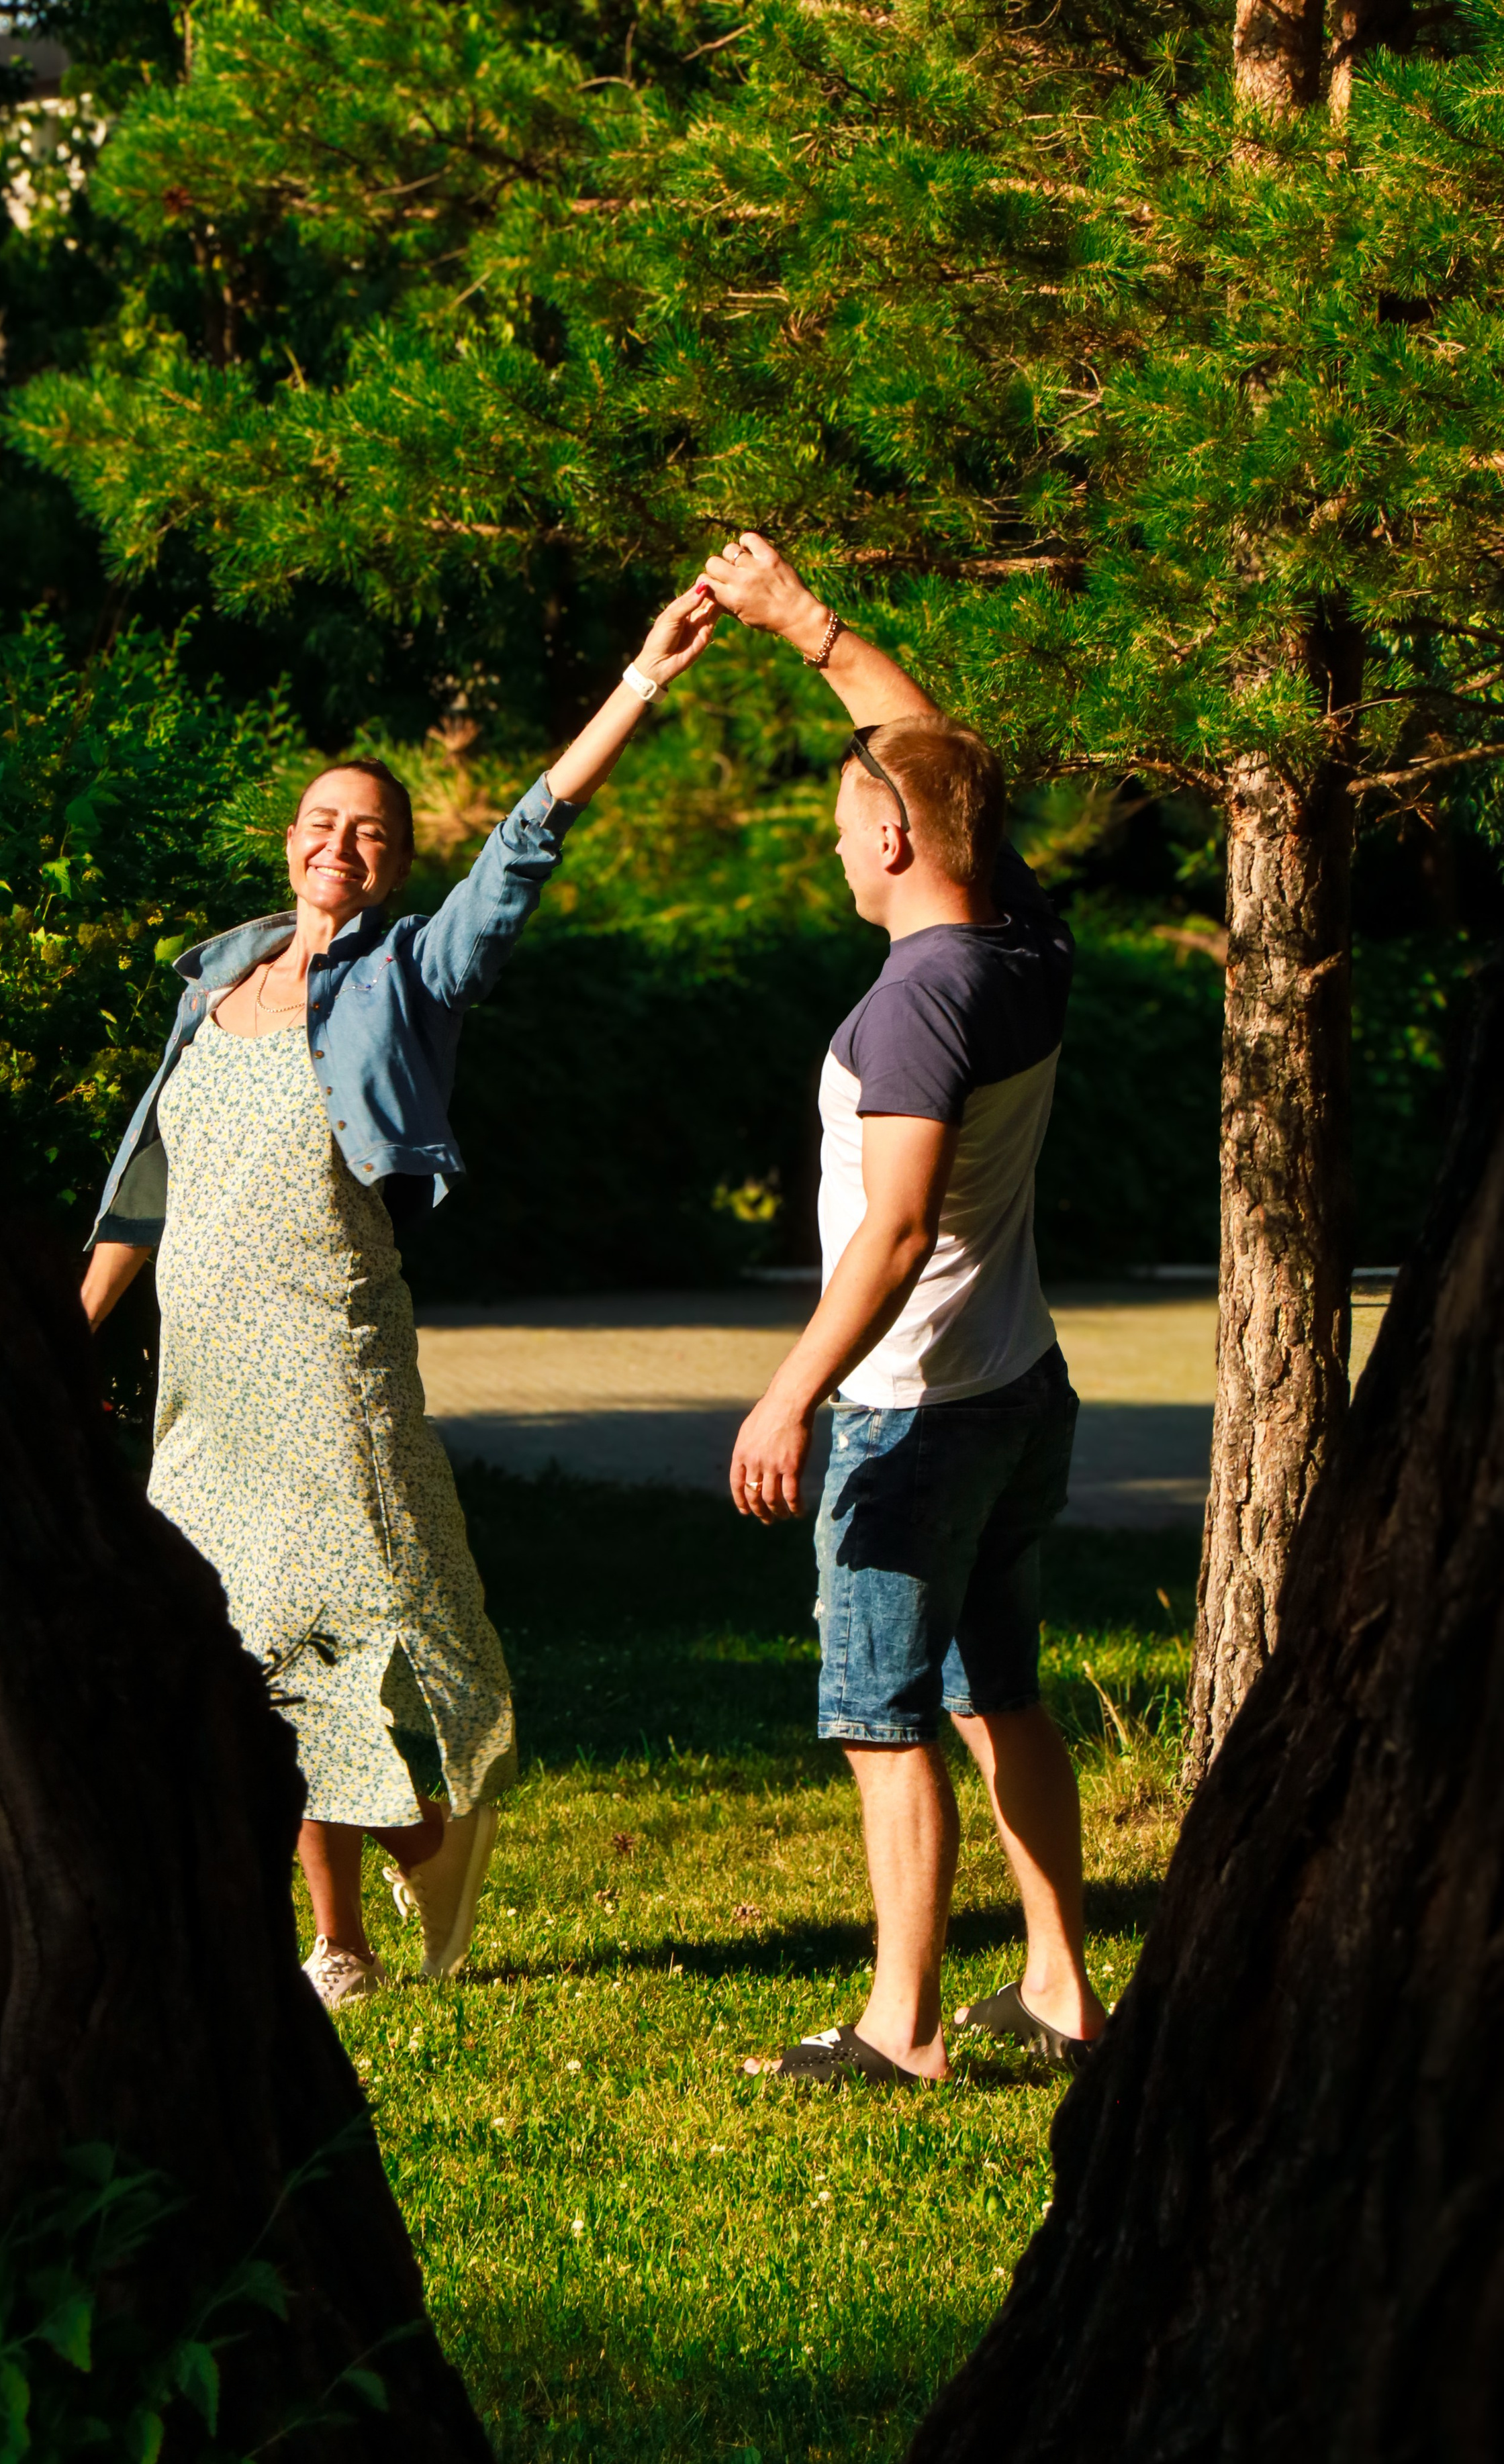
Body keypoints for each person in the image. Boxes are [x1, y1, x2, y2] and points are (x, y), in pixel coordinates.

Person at [80, 586, 717, 2008]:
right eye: (320, 822)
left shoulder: (409, 975)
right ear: (287, 839)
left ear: (394, 861)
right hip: (205, 1382)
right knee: (245, 1653)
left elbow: (521, 849)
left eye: (370, 831)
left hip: (322, 1356)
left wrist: (636, 679)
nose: (338, 845)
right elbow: (147, 1183)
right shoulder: (219, 975)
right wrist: (69, 1339)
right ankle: (378, 1893)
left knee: (316, 1639)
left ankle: (370, 1904)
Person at [702, 533, 1107, 2087]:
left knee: (884, 1715)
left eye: (839, 828)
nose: (829, 850)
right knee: (993, 1682)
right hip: (1018, 1386)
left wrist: (788, 1392)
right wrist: (800, 621)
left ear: (888, 848)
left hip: (914, 1407)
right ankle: (1063, 1992)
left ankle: (903, 2028)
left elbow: (894, 1228)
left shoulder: (915, 1001)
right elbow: (934, 763)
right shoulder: (1016, 939)